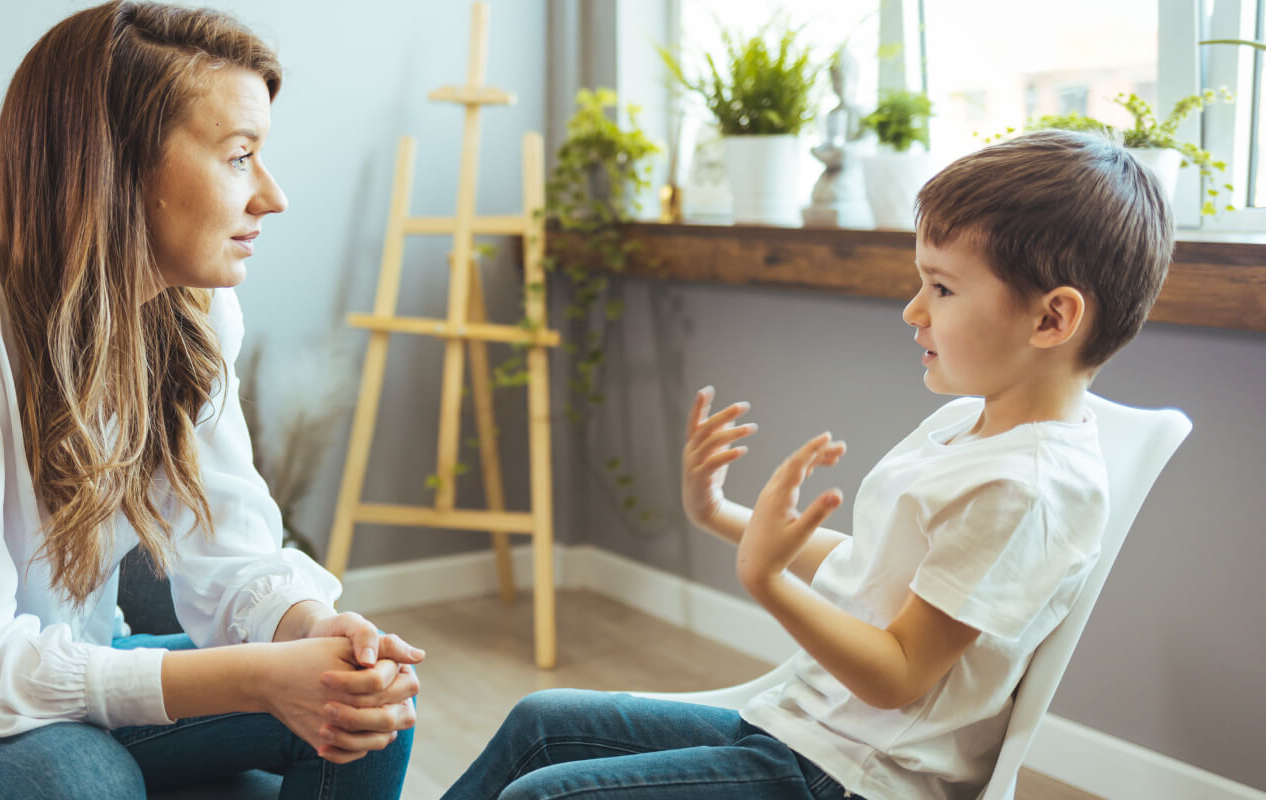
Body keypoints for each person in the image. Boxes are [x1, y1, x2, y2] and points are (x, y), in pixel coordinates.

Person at [0, 2, 422, 797]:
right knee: (76, 777)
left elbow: (231, 552)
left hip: (44, 672)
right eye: (239, 156)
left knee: (366, 703)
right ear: (117, 162)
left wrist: (309, 632)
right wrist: (260, 678)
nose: (272, 195)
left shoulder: (187, 303)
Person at [443, 129, 1175, 800]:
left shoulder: (1029, 490)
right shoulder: (970, 424)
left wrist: (764, 580)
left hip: (856, 778)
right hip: (804, 734)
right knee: (539, 724)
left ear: (1052, 319)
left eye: (943, 288)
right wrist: (721, 515)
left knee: (541, 797)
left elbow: (898, 675)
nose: (912, 310)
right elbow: (880, 573)